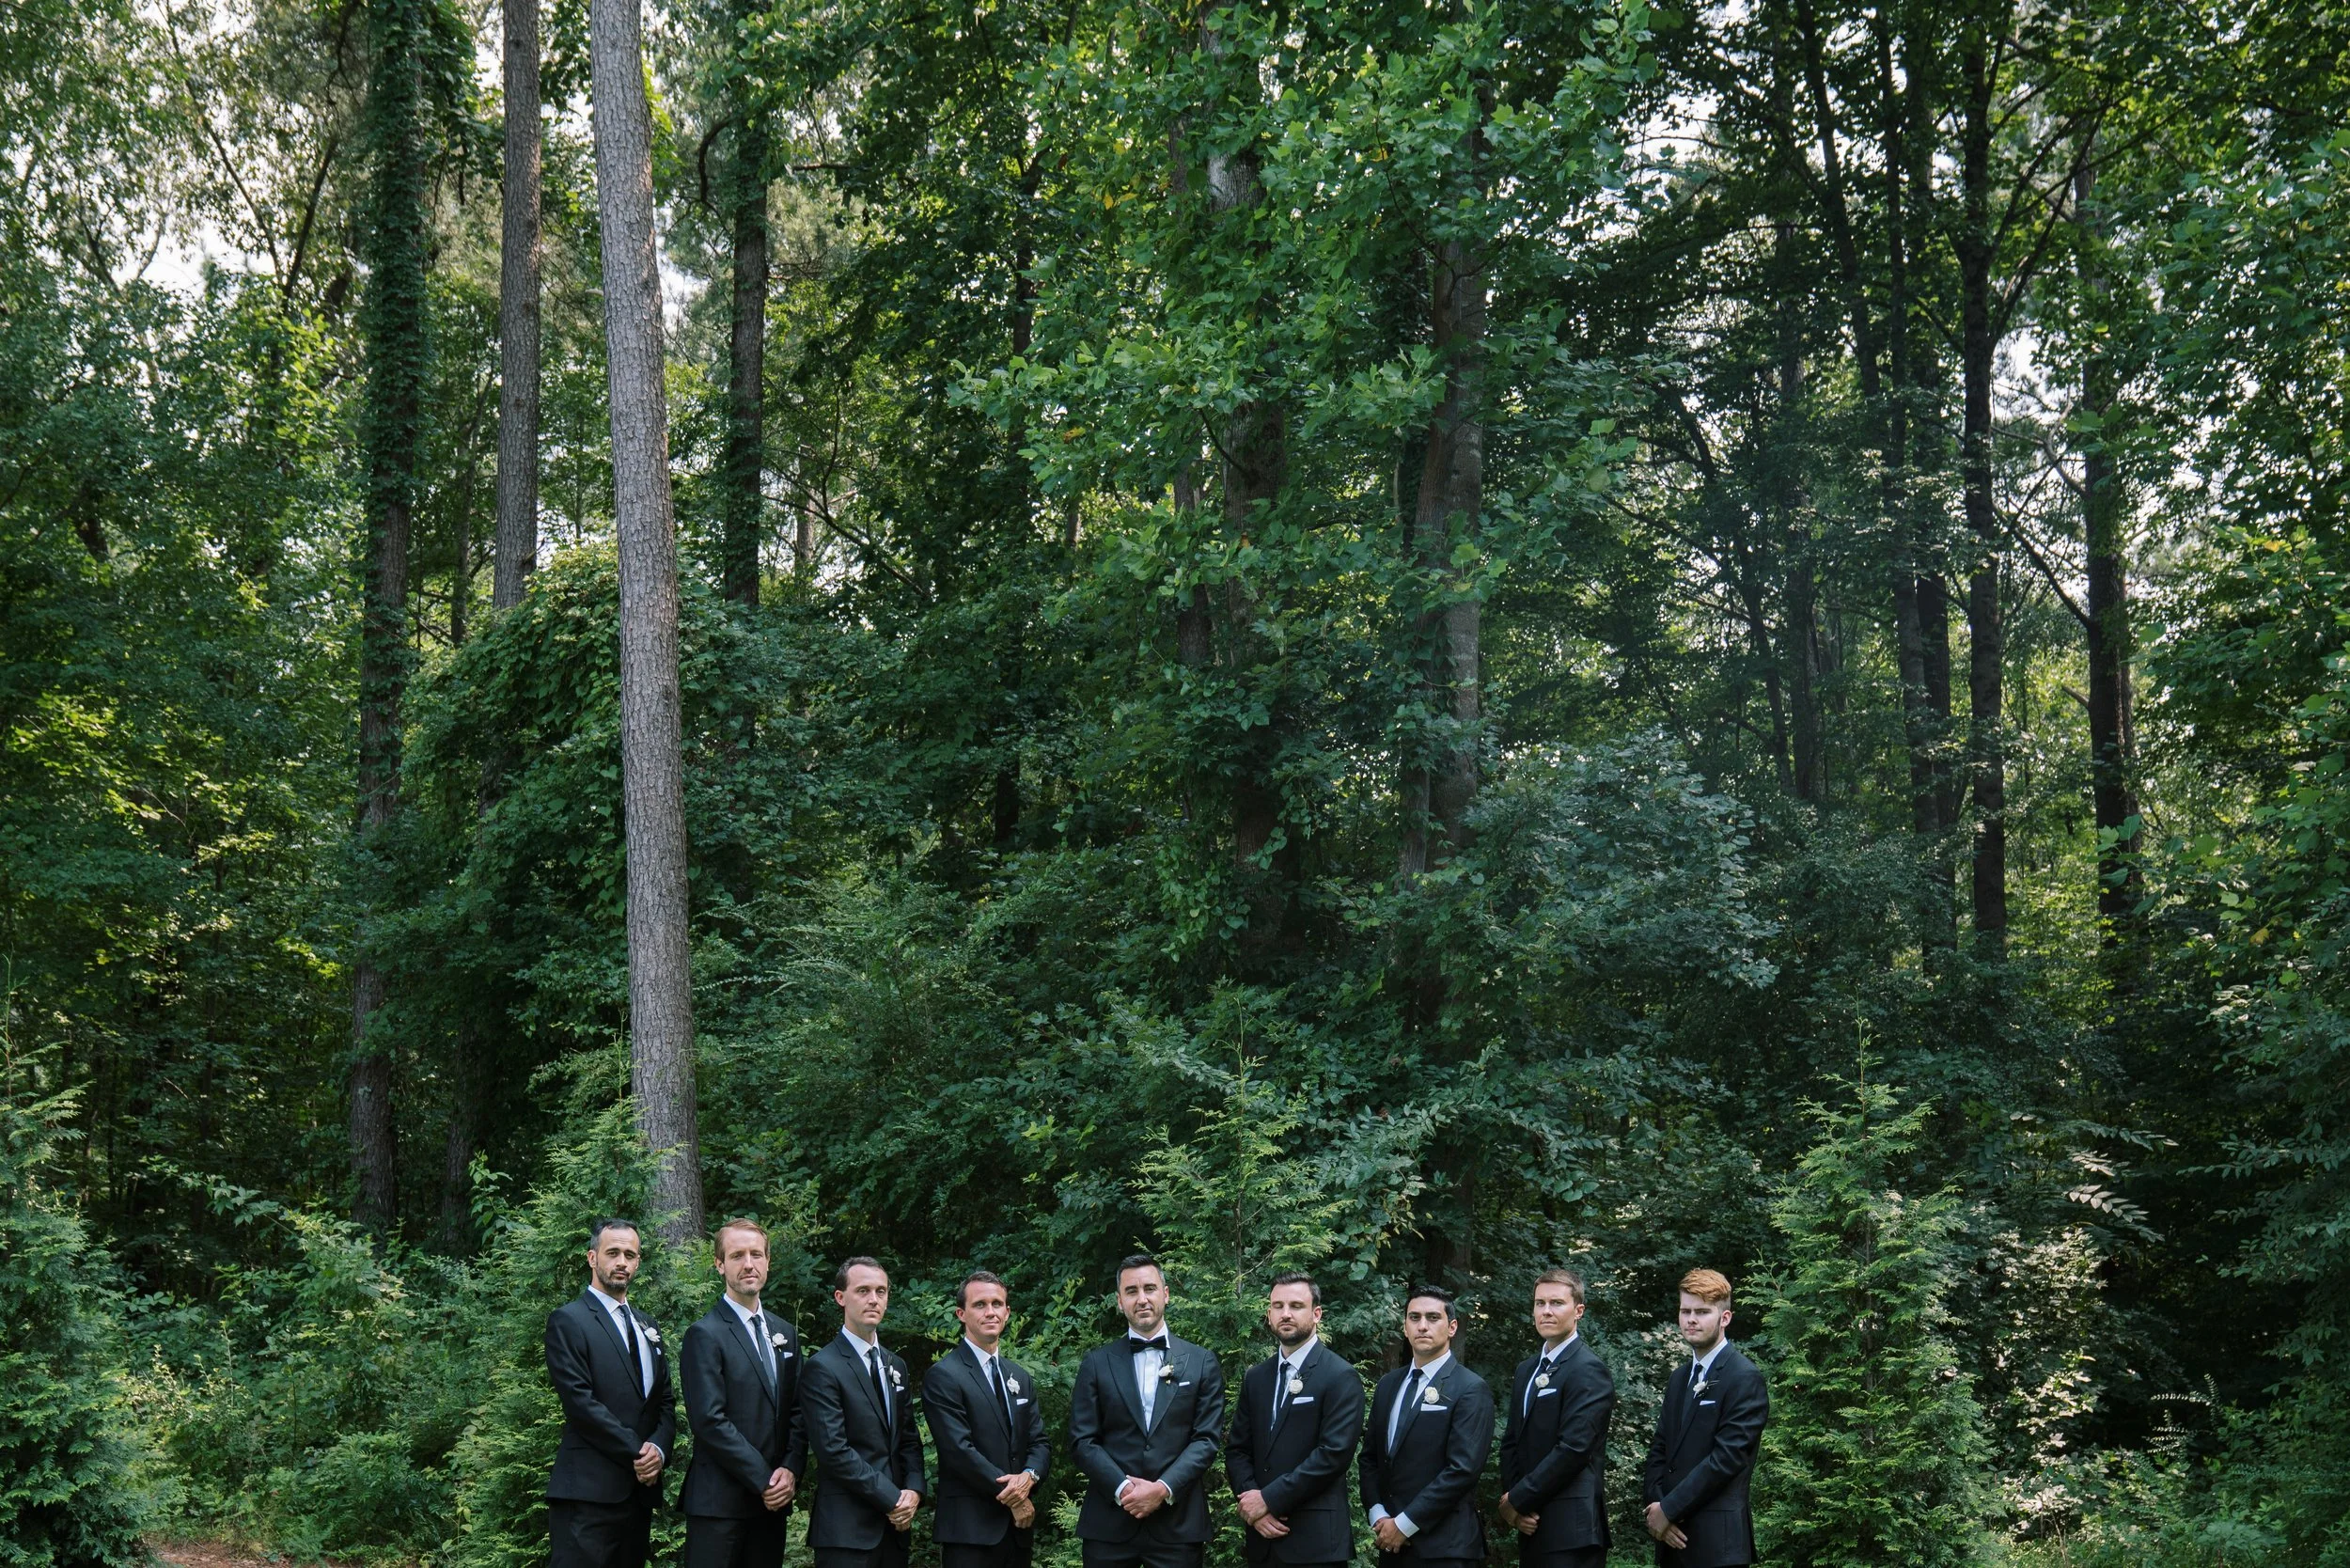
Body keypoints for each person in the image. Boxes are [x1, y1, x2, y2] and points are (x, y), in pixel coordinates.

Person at [1068, 1253, 1229, 1568]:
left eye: (1149, 1288)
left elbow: (1206, 1439)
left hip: (1177, 1524)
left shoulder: (1201, 1361)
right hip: (1109, 1524)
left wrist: (1161, 1489)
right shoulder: (1097, 1363)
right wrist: (1123, 1488)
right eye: (1131, 1291)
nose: (1141, 1299)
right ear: (1119, 1301)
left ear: (1165, 1295)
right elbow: (1082, 1440)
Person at [544, 1218, 678, 1568]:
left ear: (637, 1263)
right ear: (592, 1258)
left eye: (629, 1255)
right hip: (586, 1495)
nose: (621, 1261)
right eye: (613, 1252)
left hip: (638, 1496)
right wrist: (638, 1452)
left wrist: (659, 1451)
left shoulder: (649, 1326)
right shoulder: (569, 1321)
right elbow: (580, 1403)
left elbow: (665, 1401)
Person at [681, 1218, 807, 1568]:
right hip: (720, 1506)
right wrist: (763, 1478)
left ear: (768, 1261)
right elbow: (709, 1420)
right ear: (720, 1265)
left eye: (756, 1254)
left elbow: (798, 1410)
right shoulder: (704, 1334)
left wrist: (790, 1470)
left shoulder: (785, 1333)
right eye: (737, 1255)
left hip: (773, 1504)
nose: (748, 1264)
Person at [1223, 1273, 1365, 1568]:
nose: (1285, 1314)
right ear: (1269, 1314)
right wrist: (1254, 1507)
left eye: (1296, 1306)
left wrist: (1269, 1500)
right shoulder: (1257, 1377)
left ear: (1316, 1314)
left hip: (1315, 1543)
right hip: (1262, 1540)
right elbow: (1237, 1450)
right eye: (1278, 1306)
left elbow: (1333, 1456)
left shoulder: (1340, 1376)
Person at [802, 1256, 928, 1568]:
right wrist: (892, 1499)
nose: (874, 1299)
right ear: (840, 1298)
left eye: (881, 1291)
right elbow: (833, 1450)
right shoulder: (823, 1367)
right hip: (847, 1531)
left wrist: (913, 1490)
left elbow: (909, 1439)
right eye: (863, 1290)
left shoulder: (895, 1366)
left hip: (895, 1528)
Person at [1357, 1286, 1495, 1568]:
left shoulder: (1470, 1388)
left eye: (1433, 1318)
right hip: (1392, 1545)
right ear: (1405, 1328)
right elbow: (1370, 1458)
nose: (1422, 1326)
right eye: (1414, 1317)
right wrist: (1378, 1514)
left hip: (1446, 1548)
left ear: (1452, 1326)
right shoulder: (1388, 1386)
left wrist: (1405, 1524)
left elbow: (1462, 1470)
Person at [923, 1270, 1053, 1568]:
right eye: (980, 1304)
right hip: (970, 1531)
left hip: (1017, 1532)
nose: (990, 1312)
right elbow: (958, 1450)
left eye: (997, 1304)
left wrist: (1030, 1476)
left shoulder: (1018, 1376)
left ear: (1007, 1312)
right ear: (961, 1314)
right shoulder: (944, 1375)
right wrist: (1015, 1498)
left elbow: (1040, 1442)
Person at [1642, 1269, 1768, 1568]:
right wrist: (1656, 1508)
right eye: (1685, 1311)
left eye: (1702, 1311)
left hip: (1717, 1547)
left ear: (1725, 1318)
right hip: (1671, 1542)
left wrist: (1670, 1509)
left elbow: (1726, 1459)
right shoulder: (1679, 1378)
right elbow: (1660, 1449)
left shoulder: (1744, 1377)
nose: (1691, 1319)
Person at [1496, 1269, 1616, 1568]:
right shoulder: (1527, 1369)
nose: (1546, 1311)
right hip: (1531, 1524)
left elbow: (1573, 1449)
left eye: (1556, 1303)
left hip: (1571, 1531)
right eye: (1540, 1303)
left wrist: (1518, 1499)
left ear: (1578, 1311)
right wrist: (1514, 1503)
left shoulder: (1588, 1369)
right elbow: (1512, 1440)